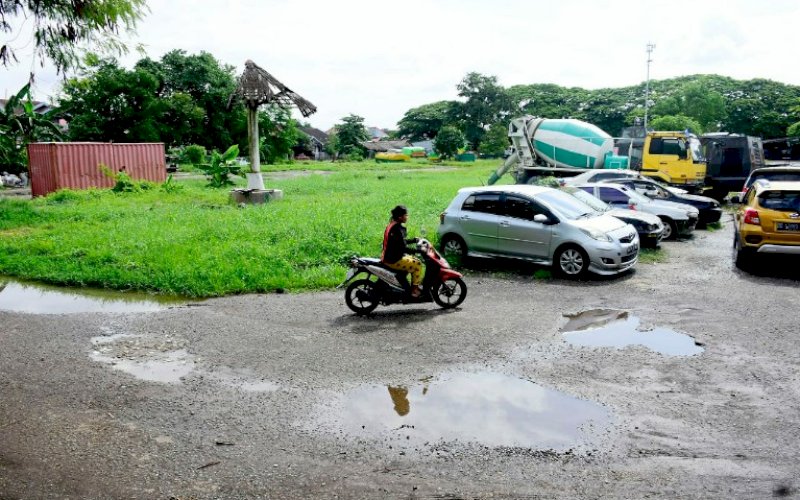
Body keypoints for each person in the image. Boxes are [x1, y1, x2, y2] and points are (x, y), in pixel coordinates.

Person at [381, 205, 423, 297]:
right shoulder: (396, 229)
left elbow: (400, 242)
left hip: (390, 256)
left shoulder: (392, 225)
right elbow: (403, 247)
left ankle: (408, 285)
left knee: (413, 259)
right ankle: (414, 290)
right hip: (393, 259)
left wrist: (413, 240)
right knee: (418, 264)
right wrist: (419, 251)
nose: (407, 217)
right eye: (405, 215)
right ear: (400, 217)